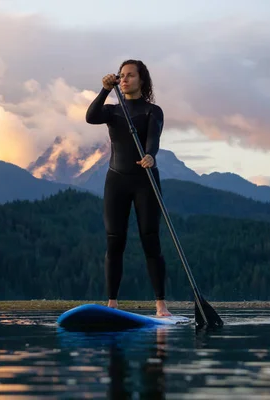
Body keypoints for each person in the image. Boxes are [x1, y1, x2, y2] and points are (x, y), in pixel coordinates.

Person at [85, 59, 171, 317]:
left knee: (150, 240)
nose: (124, 80)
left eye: (130, 76)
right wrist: (104, 90)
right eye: (121, 76)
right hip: (116, 181)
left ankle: (160, 305)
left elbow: (153, 139)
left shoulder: (153, 111)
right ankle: (112, 303)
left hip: (145, 179)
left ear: (141, 80)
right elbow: (90, 117)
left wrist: (150, 155)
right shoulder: (112, 110)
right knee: (115, 241)